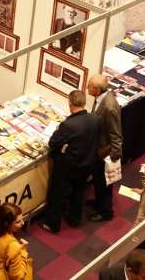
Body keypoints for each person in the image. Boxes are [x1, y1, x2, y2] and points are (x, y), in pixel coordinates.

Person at [40, 90, 99, 233]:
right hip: (87, 163)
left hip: (69, 165)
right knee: (79, 192)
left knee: (57, 193)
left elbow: (53, 143)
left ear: (70, 104)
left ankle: (52, 223)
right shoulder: (95, 118)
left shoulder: (69, 124)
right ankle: (74, 219)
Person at [87, 74, 122, 222]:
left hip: (105, 154)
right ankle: (98, 202)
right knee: (98, 180)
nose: (87, 88)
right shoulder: (100, 99)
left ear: (96, 89)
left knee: (105, 184)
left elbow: (116, 135)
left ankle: (106, 212)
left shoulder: (109, 107)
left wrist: (113, 159)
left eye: (89, 86)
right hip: (98, 149)